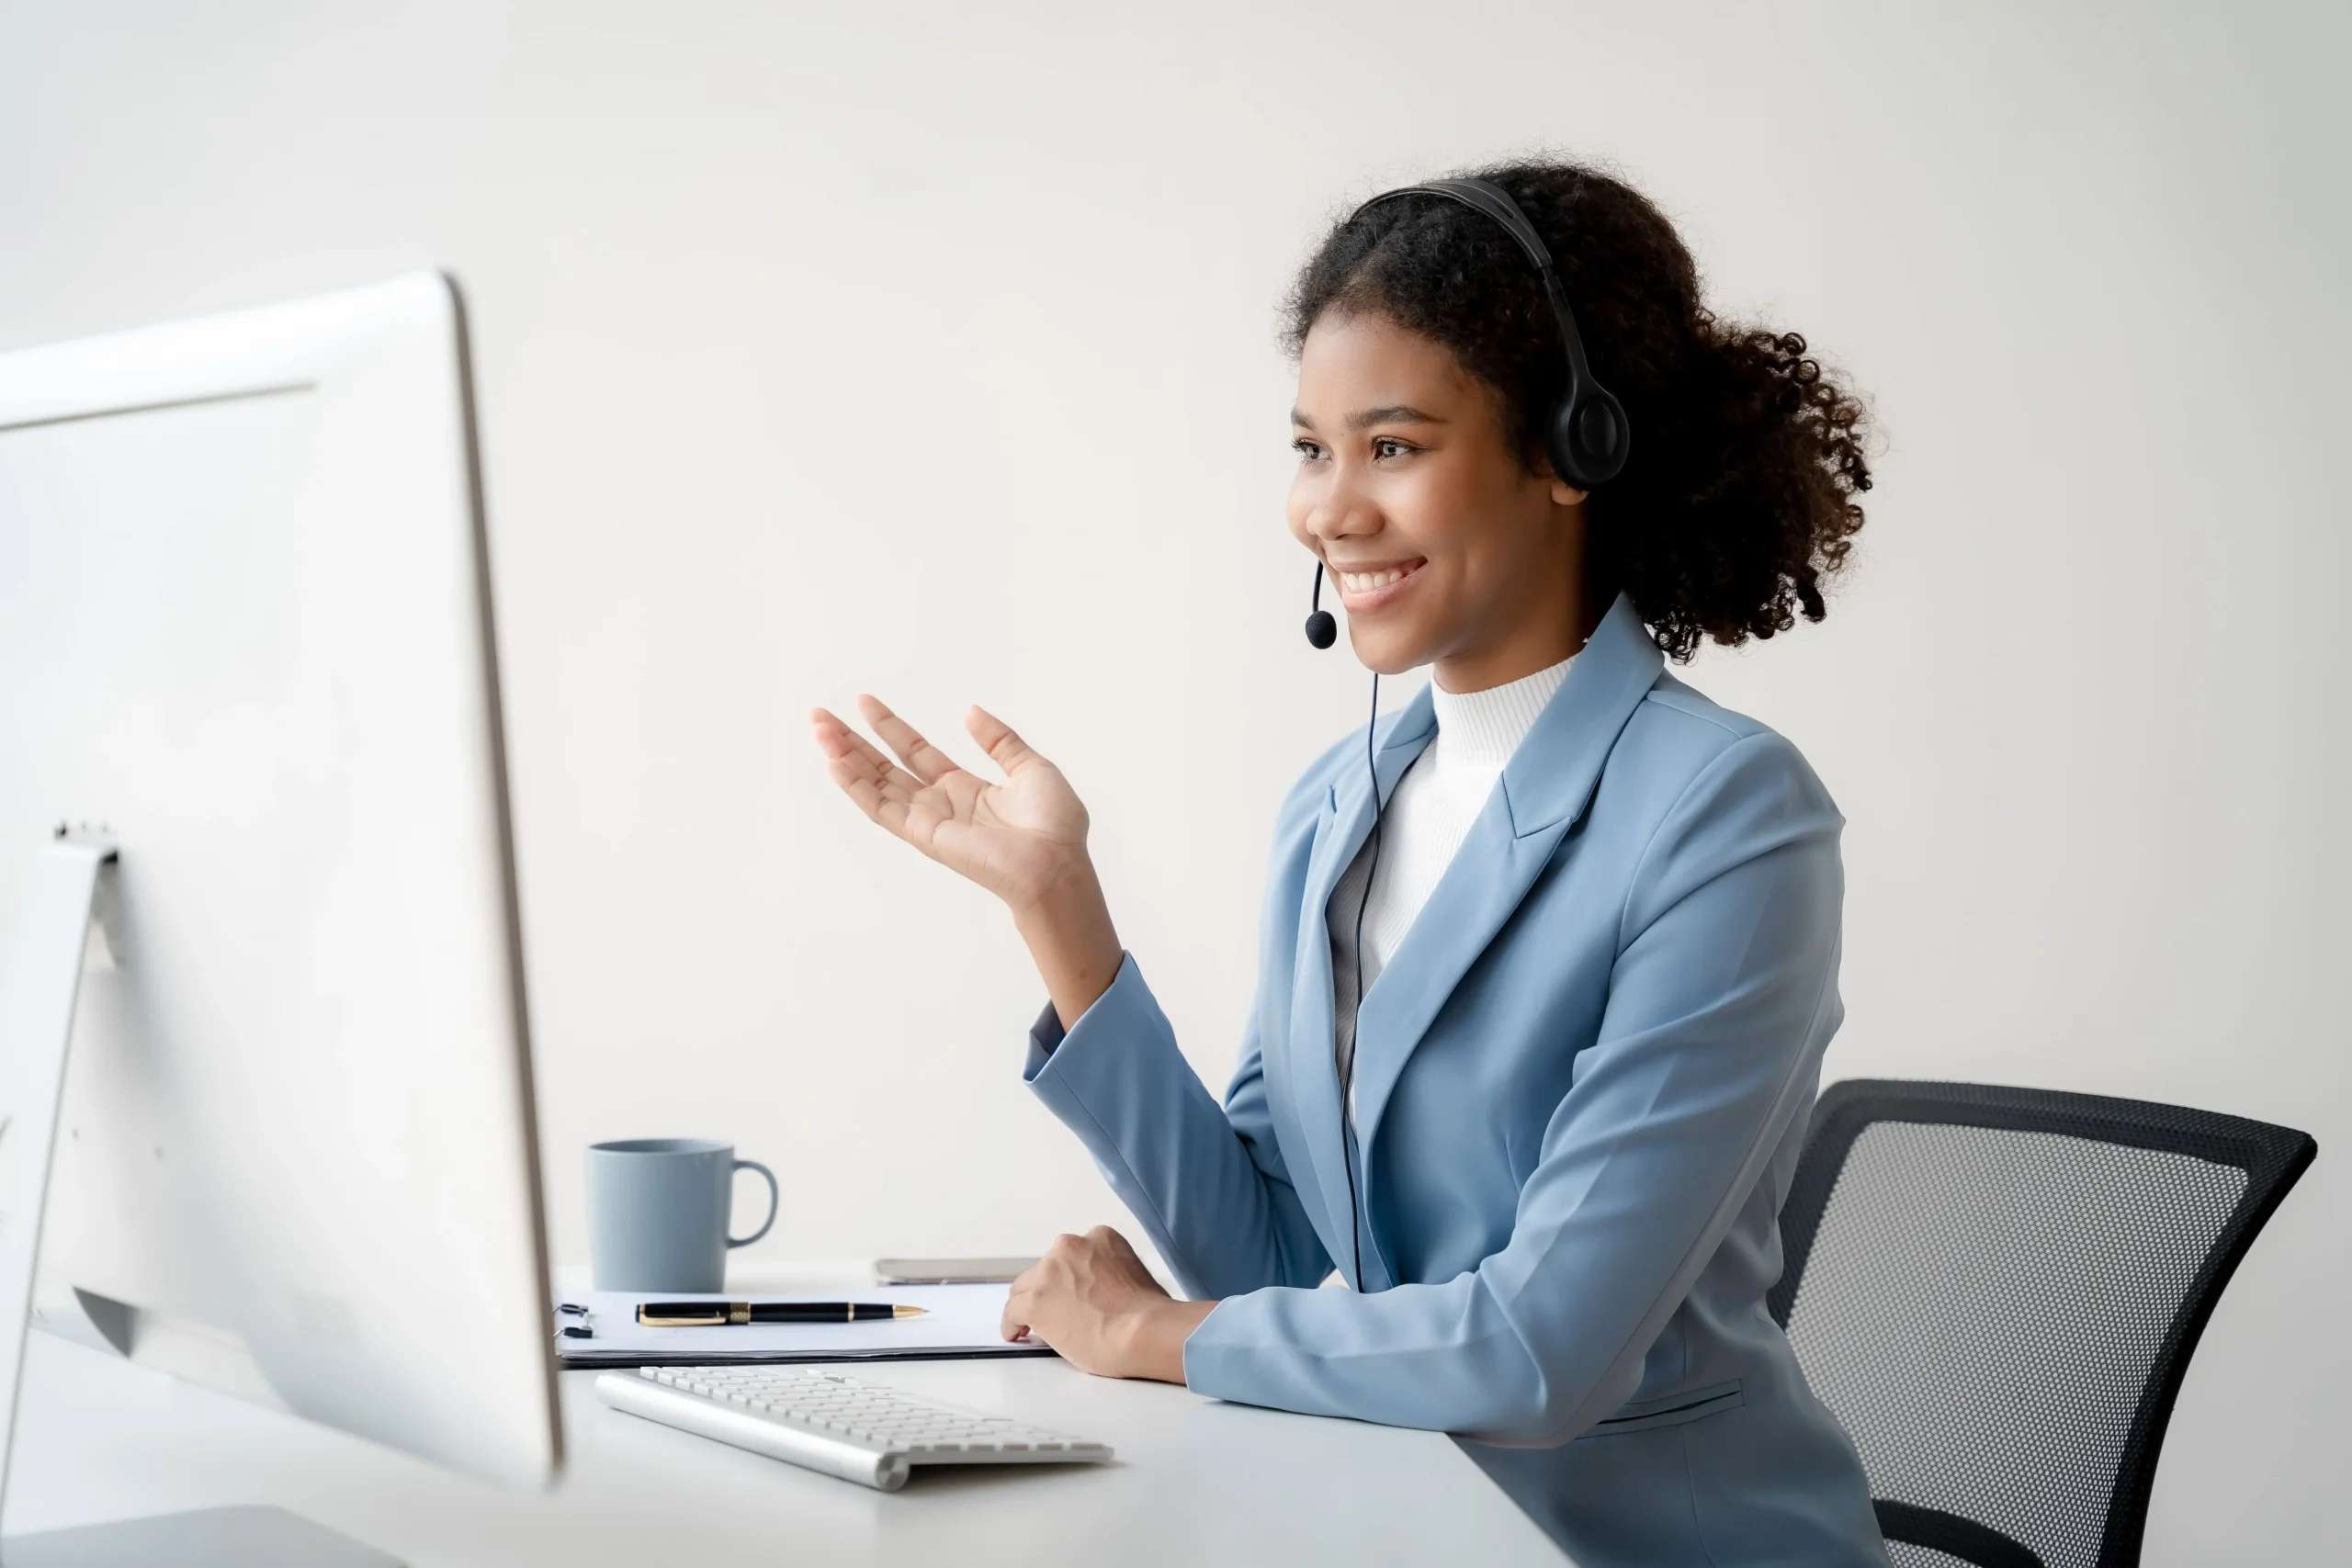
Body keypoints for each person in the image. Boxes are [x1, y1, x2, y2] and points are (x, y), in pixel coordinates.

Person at [809, 158, 1885, 1564]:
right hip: (1385, 1522)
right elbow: (1269, 1263)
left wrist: (1148, 1333)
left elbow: (1537, 1349)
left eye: (1393, 446)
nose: (1329, 511)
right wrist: (1060, 913)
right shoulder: (1340, 808)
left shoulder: (1729, 818)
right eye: (1312, 448)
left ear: (1571, 448)